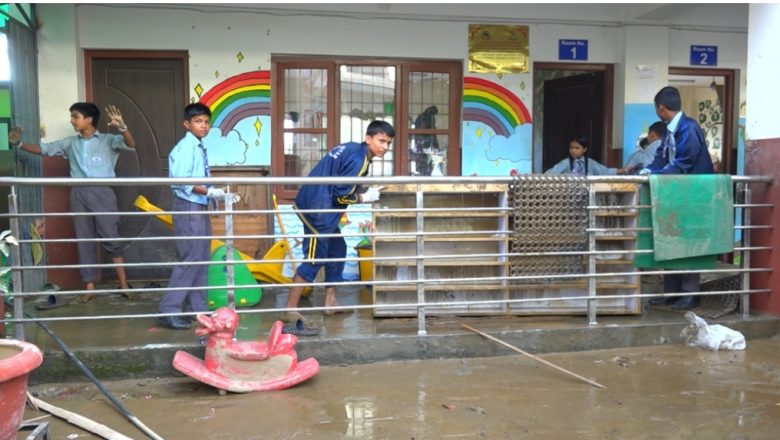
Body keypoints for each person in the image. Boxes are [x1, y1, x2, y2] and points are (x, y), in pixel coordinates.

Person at [9, 102, 136, 303]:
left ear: (89, 119)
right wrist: (18, 144)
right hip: (78, 193)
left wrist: (123, 127)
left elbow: (130, 144)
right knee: (83, 238)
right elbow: (43, 149)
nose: (72, 121)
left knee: (111, 237)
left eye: (75, 116)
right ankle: (90, 286)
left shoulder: (107, 140)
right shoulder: (71, 143)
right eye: (72, 117)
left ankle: (123, 283)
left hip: (103, 193)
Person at [282, 120, 395, 324]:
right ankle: (289, 309)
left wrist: (361, 192)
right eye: (381, 141)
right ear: (368, 138)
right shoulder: (358, 160)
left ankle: (331, 302)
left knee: (338, 248)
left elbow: (341, 183)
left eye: (388, 143)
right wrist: (364, 198)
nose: (385, 147)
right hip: (319, 210)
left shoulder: (354, 149)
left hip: (317, 203)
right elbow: (340, 197)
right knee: (314, 258)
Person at [157, 103, 233, 330]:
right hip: (188, 206)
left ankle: (197, 309)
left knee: (201, 258)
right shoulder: (184, 148)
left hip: (198, 206)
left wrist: (209, 194)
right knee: (191, 258)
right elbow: (182, 180)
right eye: (198, 122)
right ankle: (168, 310)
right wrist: (209, 191)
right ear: (187, 124)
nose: (203, 126)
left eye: (206, 122)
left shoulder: (198, 146)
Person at [642, 86, 714, 310]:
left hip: (693, 193)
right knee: (670, 240)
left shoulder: (688, 128)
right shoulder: (670, 131)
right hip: (674, 192)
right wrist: (647, 171)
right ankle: (672, 291)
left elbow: (684, 162)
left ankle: (690, 293)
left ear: (661, 108)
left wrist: (655, 174)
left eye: (656, 108)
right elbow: (662, 159)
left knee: (689, 242)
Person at [544, 136, 627, 176]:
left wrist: (624, 170)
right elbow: (550, 174)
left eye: (577, 148)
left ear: (584, 149)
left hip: (586, 196)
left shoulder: (591, 163)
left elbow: (605, 171)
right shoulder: (565, 163)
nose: (573, 150)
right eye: (571, 148)